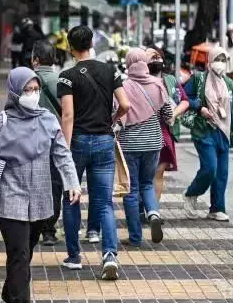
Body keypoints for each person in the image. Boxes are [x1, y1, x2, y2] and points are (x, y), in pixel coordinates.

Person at [0, 67, 80, 303]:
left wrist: (72, 182)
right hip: (10, 197)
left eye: (36, 90)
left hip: (40, 198)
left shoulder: (47, 119)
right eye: (27, 90)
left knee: (26, 249)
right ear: (15, 91)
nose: (33, 95)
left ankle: (10, 291)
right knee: (20, 253)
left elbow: (62, 154)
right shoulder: (0, 122)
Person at [58, 25, 130, 280]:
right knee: (104, 204)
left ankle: (74, 256)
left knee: (71, 197)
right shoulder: (110, 70)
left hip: (77, 142)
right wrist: (112, 120)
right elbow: (125, 104)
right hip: (103, 141)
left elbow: (68, 116)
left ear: (70, 47)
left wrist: (64, 150)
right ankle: (109, 254)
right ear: (92, 44)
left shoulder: (66, 76)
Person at [118, 48, 173, 246]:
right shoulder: (158, 84)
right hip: (153, 143)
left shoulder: (123, 87)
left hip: (129, 144)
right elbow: (168, 114)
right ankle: (154, 214)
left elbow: (117, 114)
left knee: (131, 190)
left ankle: (135, 237)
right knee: (147, 183)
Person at [182, 47, 233, 221]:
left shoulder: (228, 83)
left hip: (223, 131)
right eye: (217, 59)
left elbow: (232, 109)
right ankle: (191, 194)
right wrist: (200, 108)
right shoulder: (199, 79)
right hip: (204, 129)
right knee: (210, 168)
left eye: (223, 59)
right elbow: (183, 98)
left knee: (222, 172)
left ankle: (217, 208)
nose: (220, 63)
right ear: (209, 61)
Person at [31, 41, 63, 246]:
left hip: (30, 139)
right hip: (55, 139)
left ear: (35, 59)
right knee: (54, 185)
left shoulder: (26, 80)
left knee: (32, 181)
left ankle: (33, 225)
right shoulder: (61, 80)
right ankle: (49, 230)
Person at [148, 48, 190, 201]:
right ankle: (143, 207)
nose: (156, 59)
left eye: (158, 56)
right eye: (152, 57)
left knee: (159, 172)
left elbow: (185, 100)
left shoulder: (171, 80)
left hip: (165, 131)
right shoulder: (138, 81)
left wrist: (174, 113)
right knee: (145, 173)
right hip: (144, 131)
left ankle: (153, 210)